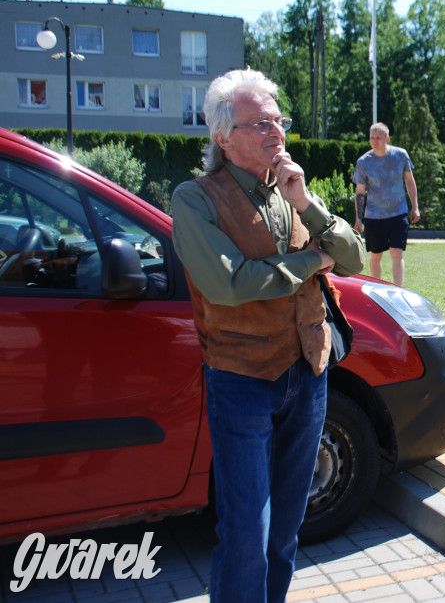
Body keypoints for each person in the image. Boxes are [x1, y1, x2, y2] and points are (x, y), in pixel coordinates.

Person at [171, 69, 364, 603]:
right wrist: (311, 261)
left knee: (284, 533)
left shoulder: (290, 190)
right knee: (246, 536)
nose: (275, 131)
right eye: (259, 123)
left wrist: (306, 202)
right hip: (242, 380)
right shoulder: (195, 198)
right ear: (223, 137)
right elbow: (230, 284)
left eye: (278, 120)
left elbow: (352, 257)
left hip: (308, 375)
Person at [352, 122, 420, 286]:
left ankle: (398, 290)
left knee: (397, 253)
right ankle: (378, 289)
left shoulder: (400, 155)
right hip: (374, 216)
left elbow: (410, 181)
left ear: (387, 138)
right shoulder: (363, 162)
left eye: (378, 138)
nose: (375, 141)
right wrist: (358, 219)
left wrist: (415, 207)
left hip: (398, 213)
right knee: (376, 255)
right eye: (372, 138)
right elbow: (360, 192)